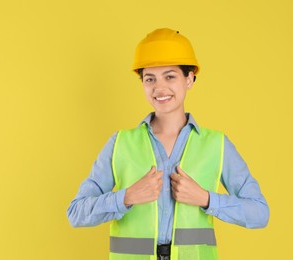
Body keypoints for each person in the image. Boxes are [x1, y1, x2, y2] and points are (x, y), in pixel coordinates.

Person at [67, 28, 269, 260]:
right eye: (150, 79)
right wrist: (126, 197)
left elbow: (259, 213)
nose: (159, 88)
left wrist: (206, 199)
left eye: (170, 76)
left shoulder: (217, 145)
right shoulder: (120, 143)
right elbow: (76, 213)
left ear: (190, 78)